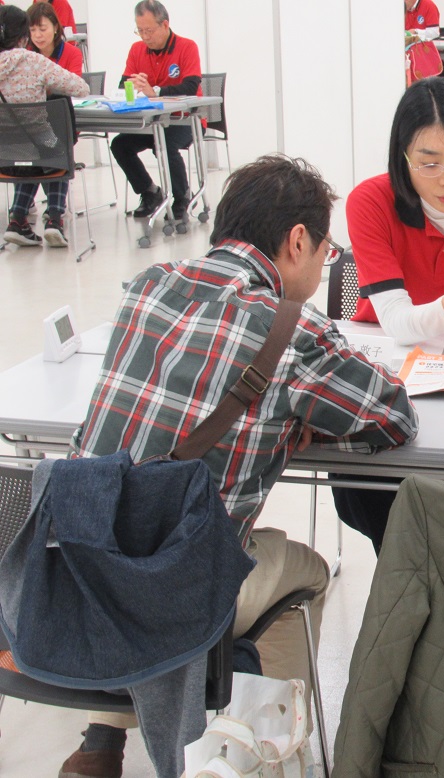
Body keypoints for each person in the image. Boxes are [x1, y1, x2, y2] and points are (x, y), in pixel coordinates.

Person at [58, 154, 418, 778]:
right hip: (177, 590)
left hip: (79, 566)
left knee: (145, 533)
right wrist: (296, 421)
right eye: (326, 251)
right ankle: (259, 750)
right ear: (298, 241)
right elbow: (394, 417)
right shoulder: (292, 331)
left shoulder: (148, 283)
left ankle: (101, 742)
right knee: (309, 570)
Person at [332, 77, 444, 553]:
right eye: (429, 162)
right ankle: (408, 581)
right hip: (393, 372)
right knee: (372, 490)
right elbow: (398, 320)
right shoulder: (372, 201)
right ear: (402, 157)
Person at [0, 5, 88, 248]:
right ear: (24, 36)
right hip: (42, 145)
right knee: (57, 150)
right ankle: (55, 220)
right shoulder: (33, 60)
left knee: (32, 154)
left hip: (5, 154)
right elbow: (81, 88)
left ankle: (17, 220)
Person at [111, 0, 201, 223]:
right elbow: (123, 85)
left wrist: (156, 91)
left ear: (165, 25)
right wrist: (133, 86)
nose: (145, 36)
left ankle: (182, 197)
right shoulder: (137, 50)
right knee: (120, 144)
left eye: (149, 30)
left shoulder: (187, 47)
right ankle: (150, 192)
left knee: (165, 144)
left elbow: (190, 87)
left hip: (185, 120)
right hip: (152, 121)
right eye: (140, 30)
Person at [27, 2, 82, 75]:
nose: (37, 35)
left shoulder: (73, 54)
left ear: (55, 27)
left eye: (43, 29)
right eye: (32, 30)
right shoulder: (25, 54)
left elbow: (75, 82)